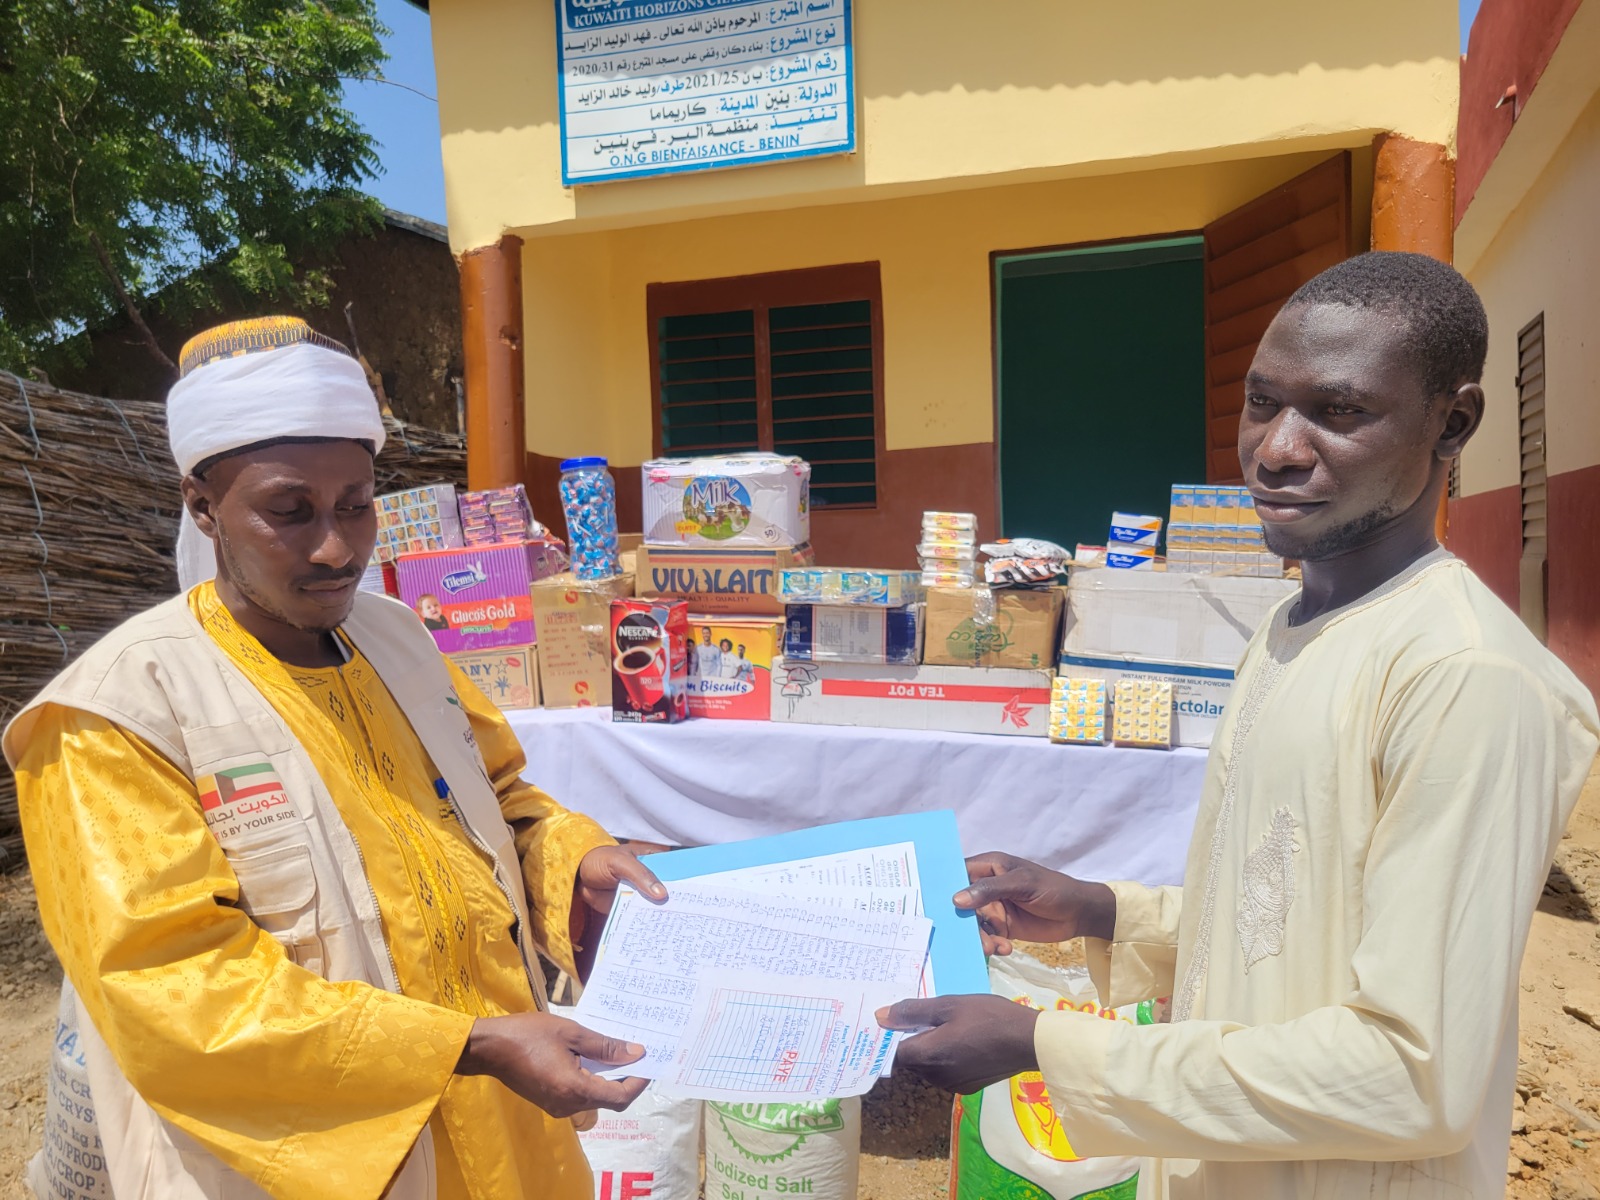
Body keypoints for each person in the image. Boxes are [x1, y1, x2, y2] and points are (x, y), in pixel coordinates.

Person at [880, 253, 1600, 1198]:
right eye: (1263, 403)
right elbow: (1289, 922)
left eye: (1339, 411)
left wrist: (1044, 1044)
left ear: (1452, 423)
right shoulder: (1290, 627)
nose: (1277, 449)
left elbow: (1412, 1074)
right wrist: (1103, 909)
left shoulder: (1466, 677)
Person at [4, 317, 663, 1200]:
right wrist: (466, 1047)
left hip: (508, 1134)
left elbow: (499, 798)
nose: (337, 548)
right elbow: (172, 988)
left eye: (356, 504)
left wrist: (575, 862)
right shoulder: (116, 715)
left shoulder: (398, 638)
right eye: (290, 512)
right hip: (312, 1165)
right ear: (203, 505)